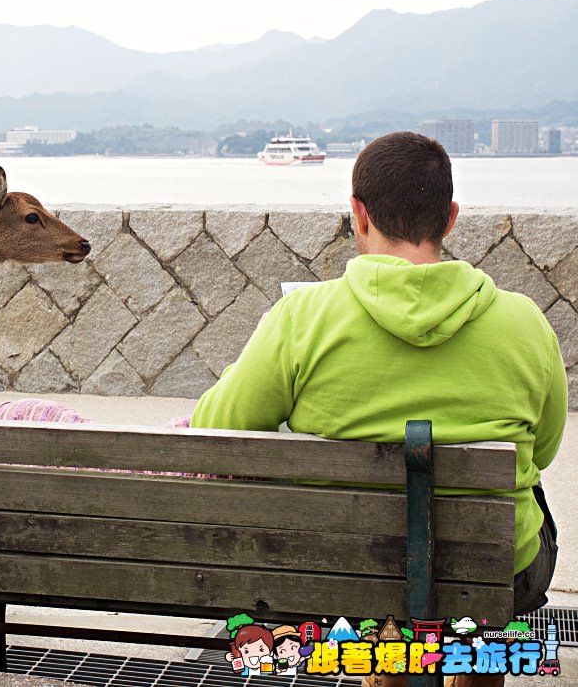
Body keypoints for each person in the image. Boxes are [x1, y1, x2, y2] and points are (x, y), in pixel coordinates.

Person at [191, 131, 566, 687]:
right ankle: (475, 669)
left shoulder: (302, 317)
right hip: (496, 577)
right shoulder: (524, 321)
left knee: (378, 595)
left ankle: (387, 671)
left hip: (347, 574)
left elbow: (213, 432)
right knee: (520, 508)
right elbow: (549, 446)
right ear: (451, 218)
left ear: (358, 215)